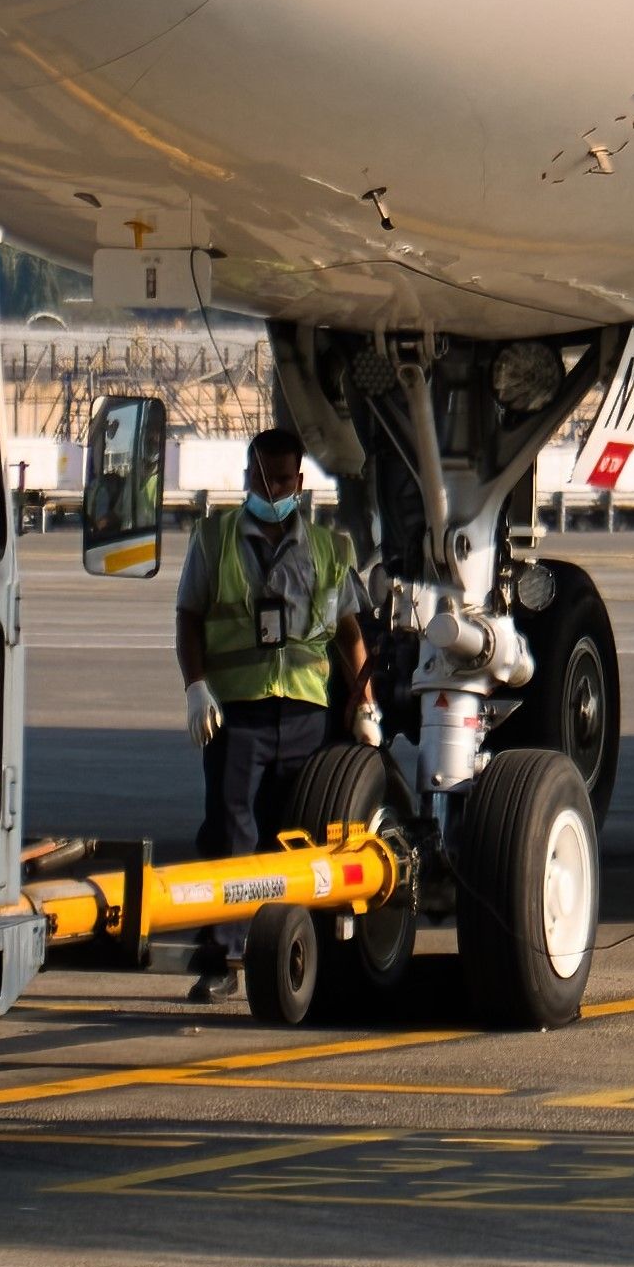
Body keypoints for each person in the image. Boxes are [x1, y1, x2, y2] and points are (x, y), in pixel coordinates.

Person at [173, 427, 369, 1009]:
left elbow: (351, 633)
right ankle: (222, 957)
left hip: (306, 712)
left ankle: (288, 953)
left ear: (299, 483)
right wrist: (195, 688)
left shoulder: (330, 549)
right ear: (245, 477)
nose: (271, 488)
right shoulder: (214, 538)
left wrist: (365, 703)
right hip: (237, 712)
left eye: (282, 480)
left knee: (297, 836)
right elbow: (188, 616)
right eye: (261, 478)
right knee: (230, 833)